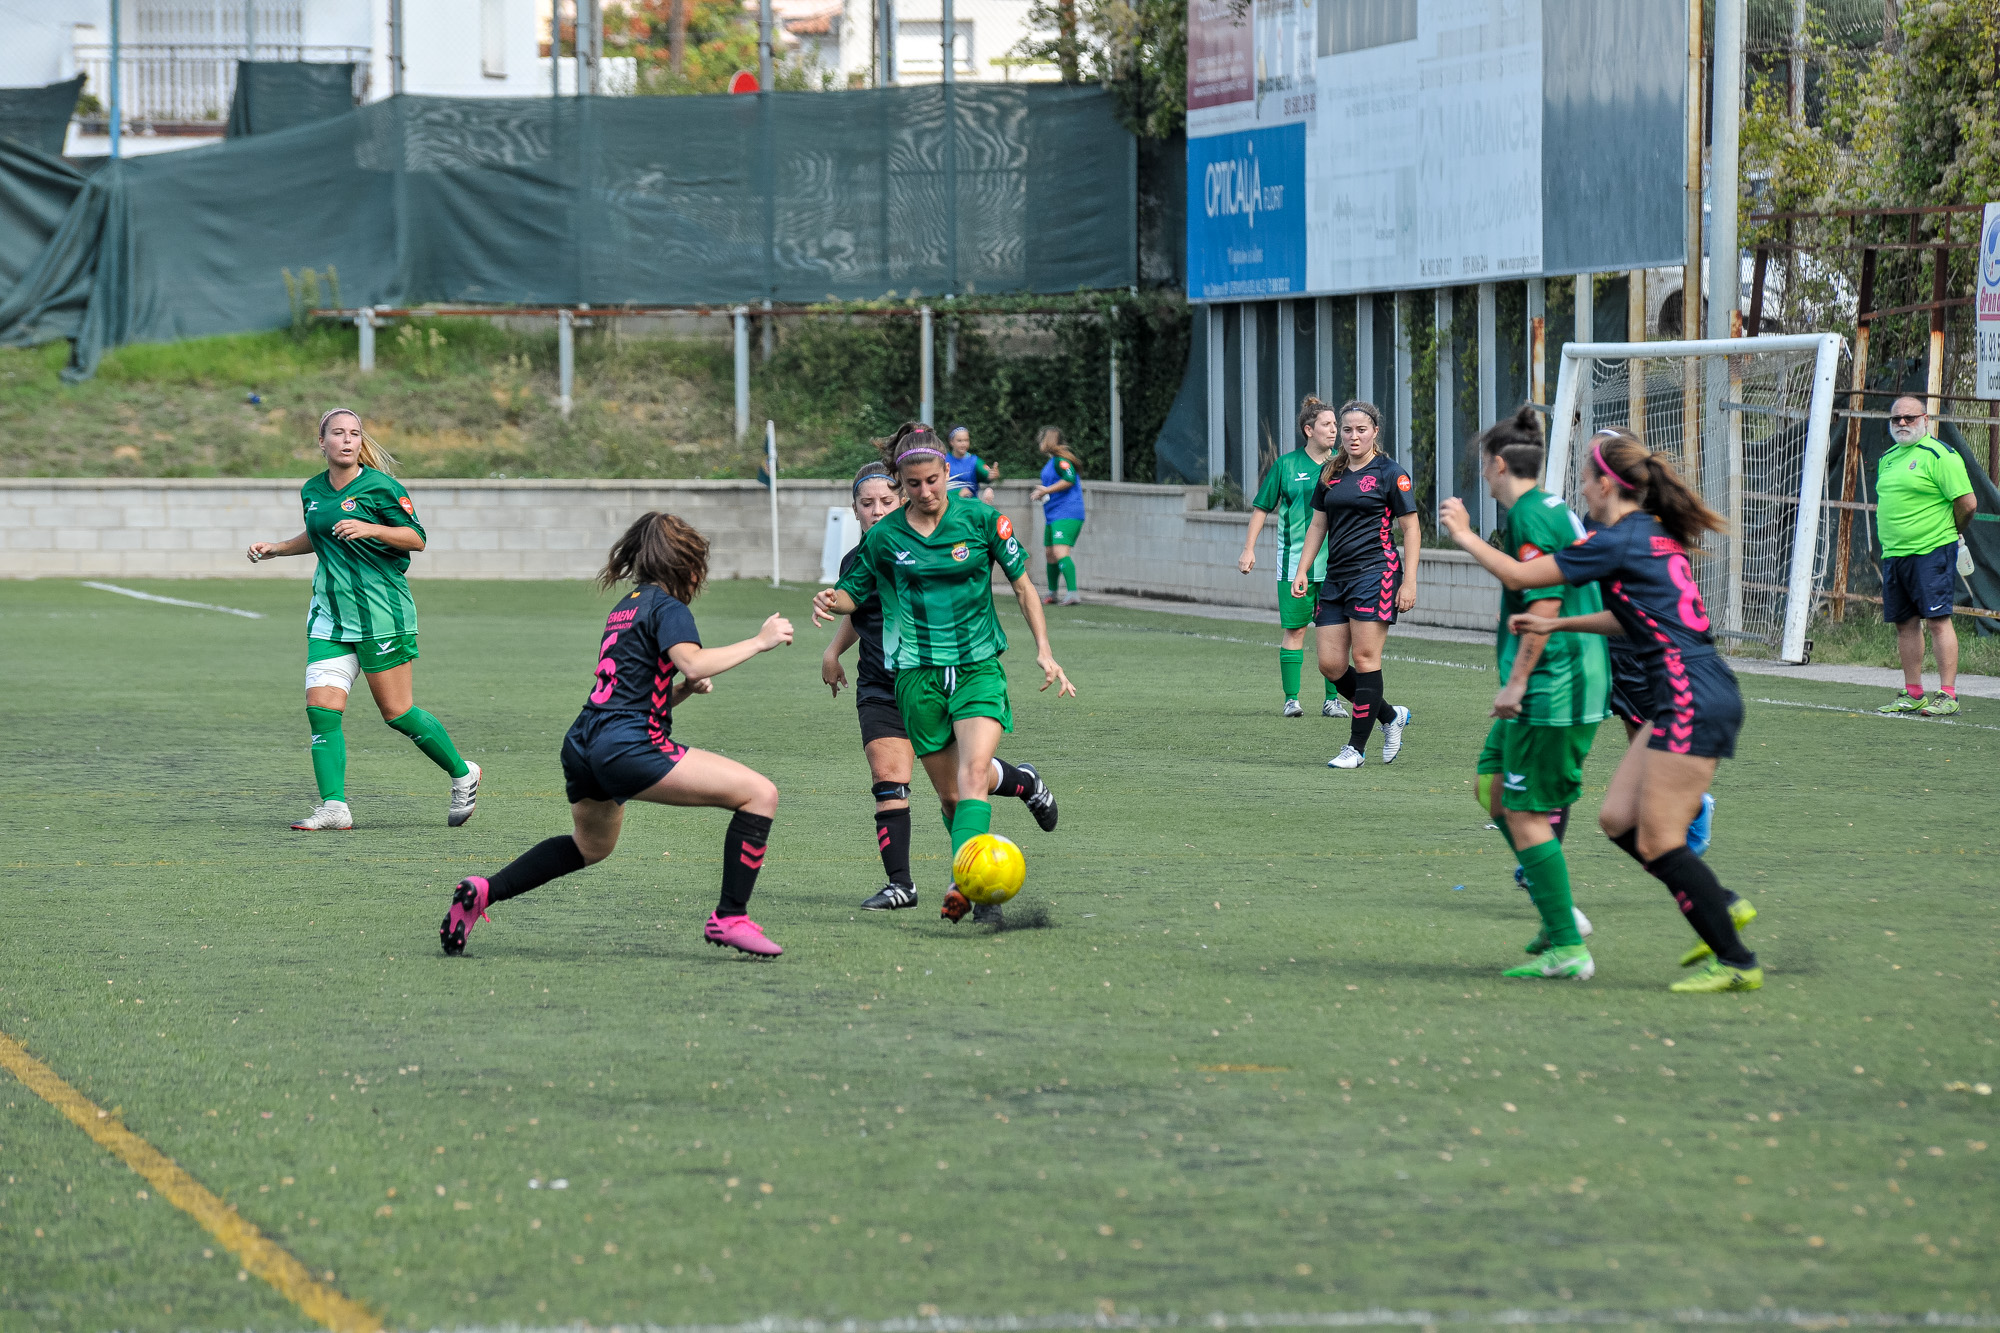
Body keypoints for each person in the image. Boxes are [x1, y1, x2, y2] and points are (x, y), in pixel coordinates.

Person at [1442, 428, 1764, 994]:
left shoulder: (1615, 540)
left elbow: (1520, 576)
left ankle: (1737, 960)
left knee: (1660, 840)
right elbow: (1634, 618)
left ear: (1604, 484)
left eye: (1585, 480)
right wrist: (1558, 623)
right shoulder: (1648, 533)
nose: (1580, 491)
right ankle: (1719, 904)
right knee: (1619, 822)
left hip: (1690, 694)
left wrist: (1465, 535)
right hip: (1685, 692)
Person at [440, 513, 796, 959]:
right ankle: (730, 917)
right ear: (688, 567)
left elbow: (633, 693)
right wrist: (760, 640)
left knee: (590, 846)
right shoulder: (670, 608)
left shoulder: (626, 606)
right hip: (625, 744)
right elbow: (694, 662)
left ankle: (484, 891)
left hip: (585, 740)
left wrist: (680, 692)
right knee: (760, 795)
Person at [814, 424, 1075, 926]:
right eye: (913, 485)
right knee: (952, 796)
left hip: (977, 668)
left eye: (933, 481)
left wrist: (1044, 650)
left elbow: (1022, 586)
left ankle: (977, 894)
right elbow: (854, 594)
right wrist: (832, 600)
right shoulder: (886, 537)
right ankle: (1004, 814)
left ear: (947, 473)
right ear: (901, 482)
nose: (925, 492)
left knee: (973, 774)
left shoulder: (982, 520)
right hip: (915, 677)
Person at [247, 408, 478, 832]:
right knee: (321, 710)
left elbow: (417, 538)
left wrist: (371, 529)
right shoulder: (312, 490)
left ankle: (463, 773)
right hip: (330, 618)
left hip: (382, 615)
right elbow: (320, 534)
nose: (348, 440)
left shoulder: (381, 487)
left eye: (354, 433)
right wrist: (278, 548)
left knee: (398, 713)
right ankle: (334, 807)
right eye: (338, 433)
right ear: (322, 442)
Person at [1466, 407, 1609, 980]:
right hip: (1559, 680)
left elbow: (1544, 603)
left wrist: (1518, 682)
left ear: (1499, 464)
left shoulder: (1530, 515)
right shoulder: (1547, 507)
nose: (1482, 475)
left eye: (1483, 465)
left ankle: (1567, 942)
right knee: (1492, 787)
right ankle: (1558, 917)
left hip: (1554, 686)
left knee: (1523, 810)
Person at [1288, 400, 1421, 768]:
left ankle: (1355, 749)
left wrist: (1408, 582)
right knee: (1330, 665)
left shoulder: (1390, 473)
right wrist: (1302, 570)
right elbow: (1318, 525)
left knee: (1364, 659)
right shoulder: (1331, 473)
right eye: (1346, 430)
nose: (1352, 436)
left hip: (1376, 573)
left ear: (1375, 432)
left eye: (1361, 429)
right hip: (1336, 577)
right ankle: (1390, 716)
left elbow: (1411, 528)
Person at [1240, 397, 1347, 719]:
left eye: (1335, 425)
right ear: (1308, 429)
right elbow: (1262, 507)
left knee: (1335, 632)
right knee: (1296, 630)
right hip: (1293, 563)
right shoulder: (1286, 465)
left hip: (1337, 564)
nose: (1335, 430)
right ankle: (1292, 699)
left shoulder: (1343, 465)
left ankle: (1333, 700)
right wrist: (1249, 548)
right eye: (1328, 425)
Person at [1873, 396, 1976, 717]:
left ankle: (1947, 694)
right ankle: (1913, 692)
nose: (1902, 423)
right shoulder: (1887, 458)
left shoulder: (1941, 455)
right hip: (1895, 554)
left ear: (1925, 419)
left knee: (1937, 621)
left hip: (1933, 550)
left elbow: (1968, 503)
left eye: (1909, 417)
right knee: (1905, 623)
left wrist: (1951, 531)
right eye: (1896, 419)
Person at [1028, 425, 1086, 606]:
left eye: (1042, 438)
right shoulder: (1051, 462)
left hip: (1067, 512)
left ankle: (1073, 592)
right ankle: (1053, 592)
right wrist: (1044, 494)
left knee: (1060, 552)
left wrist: (1046, 490)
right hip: (1053, 513)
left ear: (1048, 440)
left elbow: (1068, 479)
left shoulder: (1061, 461)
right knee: (1050, 553)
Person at [944, 425, 999, 504]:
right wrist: (957, 493)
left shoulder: (974, 461)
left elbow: (986, 474)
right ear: (951, 442)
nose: (964, 444)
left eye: (966, 440)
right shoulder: (943, 460)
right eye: (959, 441)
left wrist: (991, 475)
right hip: (948, 507)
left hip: (970, 506)